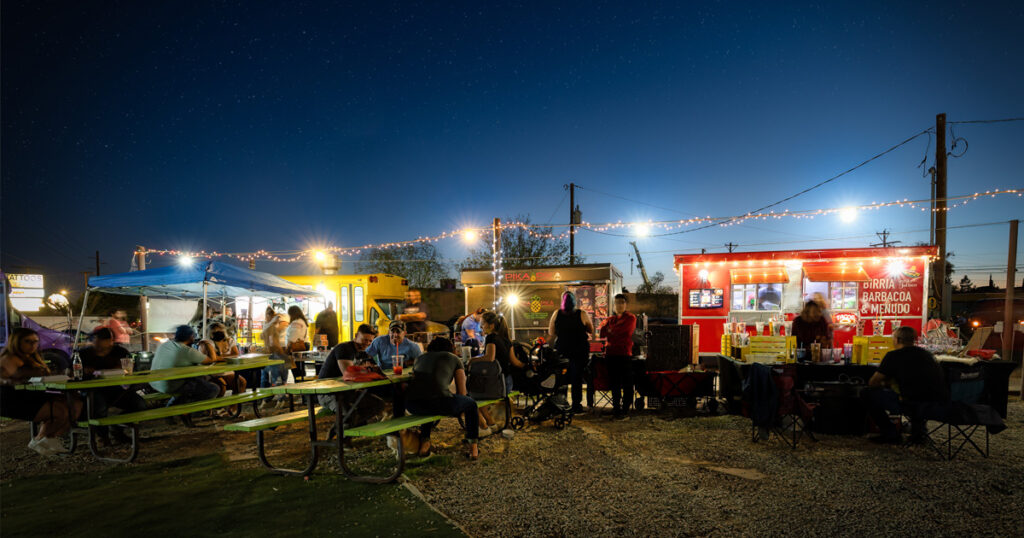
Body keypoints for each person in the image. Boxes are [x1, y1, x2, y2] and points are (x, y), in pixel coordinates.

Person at [0, 328, 82, 456]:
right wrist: (10, 382)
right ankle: (40, 439)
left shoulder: (33, 357)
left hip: (35, 395)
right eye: (28, 341)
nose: (33, 345)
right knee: (61, 410)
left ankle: (50, 438)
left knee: (75, 404)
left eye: (35, 341)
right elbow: (3, 379)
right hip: (13, 400)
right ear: (16, 342)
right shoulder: (10, 358)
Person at [864, 326, 949, 444]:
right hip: (937, 404)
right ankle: (919, 433)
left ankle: (891, 434)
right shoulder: (927, 355)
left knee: (868, 394)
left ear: (897, 340)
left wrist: (885, 383)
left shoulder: (893, 356)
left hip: (909, 404)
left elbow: (873, 383)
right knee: (918, 392)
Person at [405, 337, 480, 460]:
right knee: (471, 404)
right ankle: (474, 449)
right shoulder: (454, 359)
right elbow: (462, 392)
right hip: (438, 404)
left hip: (412, 405)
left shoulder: (420, 358)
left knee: (428, 399)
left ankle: (425, 444)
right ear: (451, 348)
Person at [79, 328, 146, 443]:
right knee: (99, 406)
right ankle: (103, 437)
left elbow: (129, 368)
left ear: (111, 341)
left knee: (140, 404)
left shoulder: (120, 352)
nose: (98, 343)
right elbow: (72, 371)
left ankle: (117, 427)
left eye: (102, 340)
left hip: (118, 389)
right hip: (93, 390)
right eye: (96, 340)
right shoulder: (83, 354)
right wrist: (84, 371)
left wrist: (120, 370)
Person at [469, 311, 526, 433]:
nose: (481, 327)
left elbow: (490, 357)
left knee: (472, 399)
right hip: (508, 383)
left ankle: (488, 424)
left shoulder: (491, 338)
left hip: (498, 384)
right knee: (477, 397)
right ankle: (489, 423)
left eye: (483, 324)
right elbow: (515, 362)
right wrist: (528, 366)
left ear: (491, 326)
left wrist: (472, 360)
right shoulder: (506, 340)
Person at [149, 325, 219, 406]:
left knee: (195, 380)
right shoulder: (187, 351)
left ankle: (174, 404)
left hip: (154, 382)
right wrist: (207, 343)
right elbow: (212, 359)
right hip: (167, 386)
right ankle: (185, 409)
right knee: (213, 389)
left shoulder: (164, 345)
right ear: (191, 337)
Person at [548, 291, 594, 413]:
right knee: (576, 378)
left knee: (561, 379)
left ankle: (561, 404)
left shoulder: (556, 314)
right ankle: (576, 406)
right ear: (575, 301)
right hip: (579, 351)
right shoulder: (582, 314)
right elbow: (591, 330)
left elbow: (551, 332)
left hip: (562, 350)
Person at [316, 323, 377, 414]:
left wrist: (368, 370)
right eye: (364, 340)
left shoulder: (363, 352)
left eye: (370, 341)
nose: (367, 344)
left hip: (346, 392)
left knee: (378, 405)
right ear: (356, 336)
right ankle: (341, 427)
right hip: (328, 393)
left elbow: (374, 369)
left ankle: (358, 426)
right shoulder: (344, 348)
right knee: (350, 414)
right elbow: (349, 374)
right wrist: (366, 371)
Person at [599, 294, 638, 420]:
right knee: (614, 384)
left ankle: (625, 409)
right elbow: (602, 333)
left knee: (627, 384)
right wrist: (610, 329)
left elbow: (625, 332)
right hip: (611, 355)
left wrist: (611, 330)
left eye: (621, 302)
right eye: (616, 303)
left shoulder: (631, 318)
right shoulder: (611, 319)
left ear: (626, 304)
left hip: (624, 354)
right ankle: (616, 409)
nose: (619, 305)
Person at [197, 322, 247, 398]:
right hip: (211, 372)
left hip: (227, 371)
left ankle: (233, 408)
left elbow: (236, 355)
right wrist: (228, 357)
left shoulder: (229, 341)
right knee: (221, 386)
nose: (218, 333)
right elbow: (212, 359)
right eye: (215, 332)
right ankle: (217, 408)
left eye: (220, 331)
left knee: (241, 382)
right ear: (210, 333)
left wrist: (218, 357)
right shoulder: (207, 342)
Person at [260, 312, 292, 409]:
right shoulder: (272, 328)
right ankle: (277, 399)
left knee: (272, 379)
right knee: (278, 379)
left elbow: (269, 341)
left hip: (273, 356)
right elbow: (274, 343)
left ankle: (269, 399)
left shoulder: (269, 328)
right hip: (277, 355)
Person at [286, 305, 310, 380]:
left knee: (296, 369)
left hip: (296, 347)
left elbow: (293, 337)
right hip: (304, 346)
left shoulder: (295, 323)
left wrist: (287, 348)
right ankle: (303, 383)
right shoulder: (302, 321)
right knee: (301, 367)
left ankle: (299, 384)